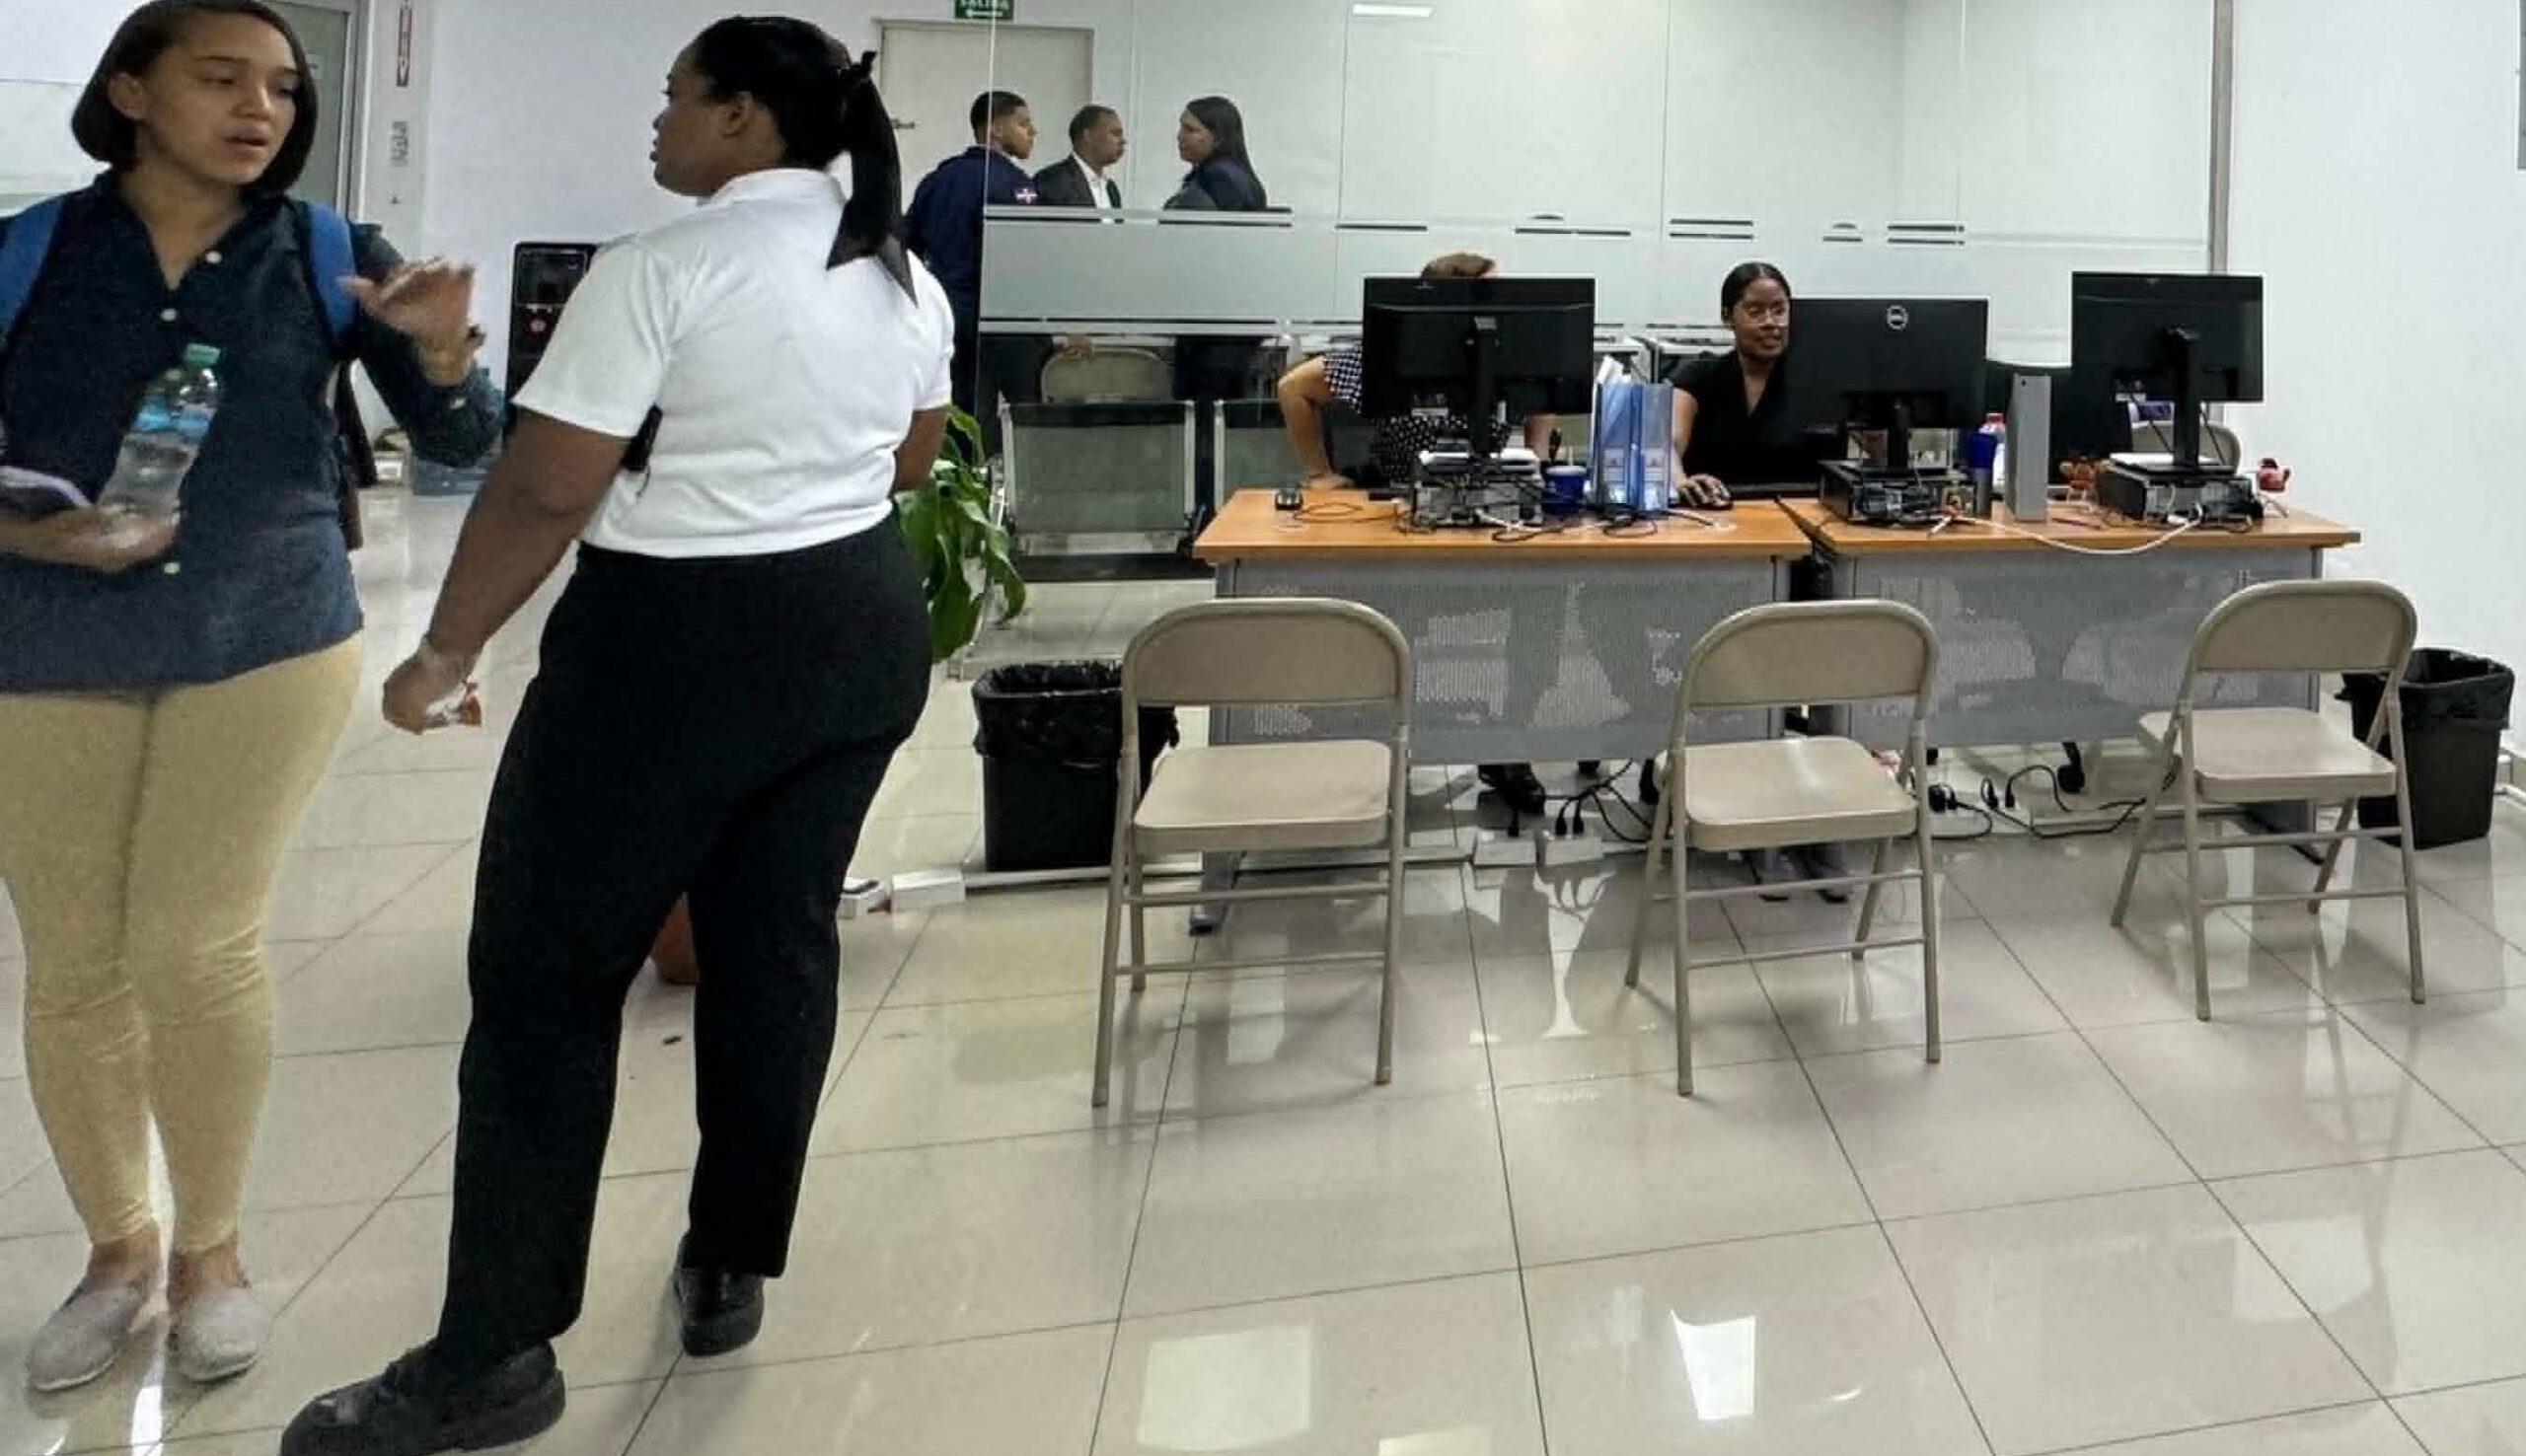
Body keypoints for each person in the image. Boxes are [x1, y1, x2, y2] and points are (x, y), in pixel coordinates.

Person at [281, 18, 947, 1454]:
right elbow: (912, 456)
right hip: (857, 626)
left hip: (671, 649)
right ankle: (730, 1260)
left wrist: (443, 652)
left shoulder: (660, 267)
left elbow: (543, 487)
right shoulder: (901, 272)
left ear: (743, 120)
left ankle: (493, 1354)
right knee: (775, 953)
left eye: (675, 100)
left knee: (545, 982)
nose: (659, 125)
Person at [0, 0, 498, 1394]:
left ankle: (210, 1256)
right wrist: (40, 538)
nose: (259, 109)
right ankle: (117, 1251)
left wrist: (443, 354)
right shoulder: (31, 251)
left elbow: (464, 441)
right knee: (75, 961)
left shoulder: (332, 252)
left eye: (280, 87)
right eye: (221, 78)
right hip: (43, 635)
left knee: (193, 944)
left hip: (266, 629)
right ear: (130, 91)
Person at [1276, 252, 1555, 817]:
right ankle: (1374, 734)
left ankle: (1510, 741)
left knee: (1540, 600)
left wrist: (1536, 460)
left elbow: (1545, 398)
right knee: (1383, 619)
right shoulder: (1389, 354)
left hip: (1487, 514)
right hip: (1401, 518)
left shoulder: (1508, 353)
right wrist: (1318, 474)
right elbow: (1293, 388)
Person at [903, 89, 1041, 447]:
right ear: (995, 128)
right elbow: (1028, 259)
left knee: (953, 414)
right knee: (1007, 420)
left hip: (943, 313)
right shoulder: (1015, 186)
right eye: (1023, 123)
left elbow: (907, 245)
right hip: (997, 318)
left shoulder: (937, 180)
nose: (1032, 132)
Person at [1666, 260, 1832, 505]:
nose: (1770, 322)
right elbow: (1667, 443)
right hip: (1713, 514)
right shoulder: (1699, 376)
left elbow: (1875, 449)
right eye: (1755, 312)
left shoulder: (1821, 380)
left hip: (1805, 517)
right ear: (1727, 317)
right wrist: (1679, 481)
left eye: (1779, 310)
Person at [1167, 96, 1270, 403]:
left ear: (1218, 136)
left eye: (1191, 129)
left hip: (1218, 318)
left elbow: (1213, 248)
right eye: (1181, 127)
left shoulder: (1221, 177)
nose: (1180, 136)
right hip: (1225, 314)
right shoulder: (1226, 175)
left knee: (1204, 404)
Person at [1034, 104, 1125, 209]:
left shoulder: (1111, 189)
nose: (1123, 141)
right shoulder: (1053, 181)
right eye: (1115, 133)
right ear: (1088, 136)